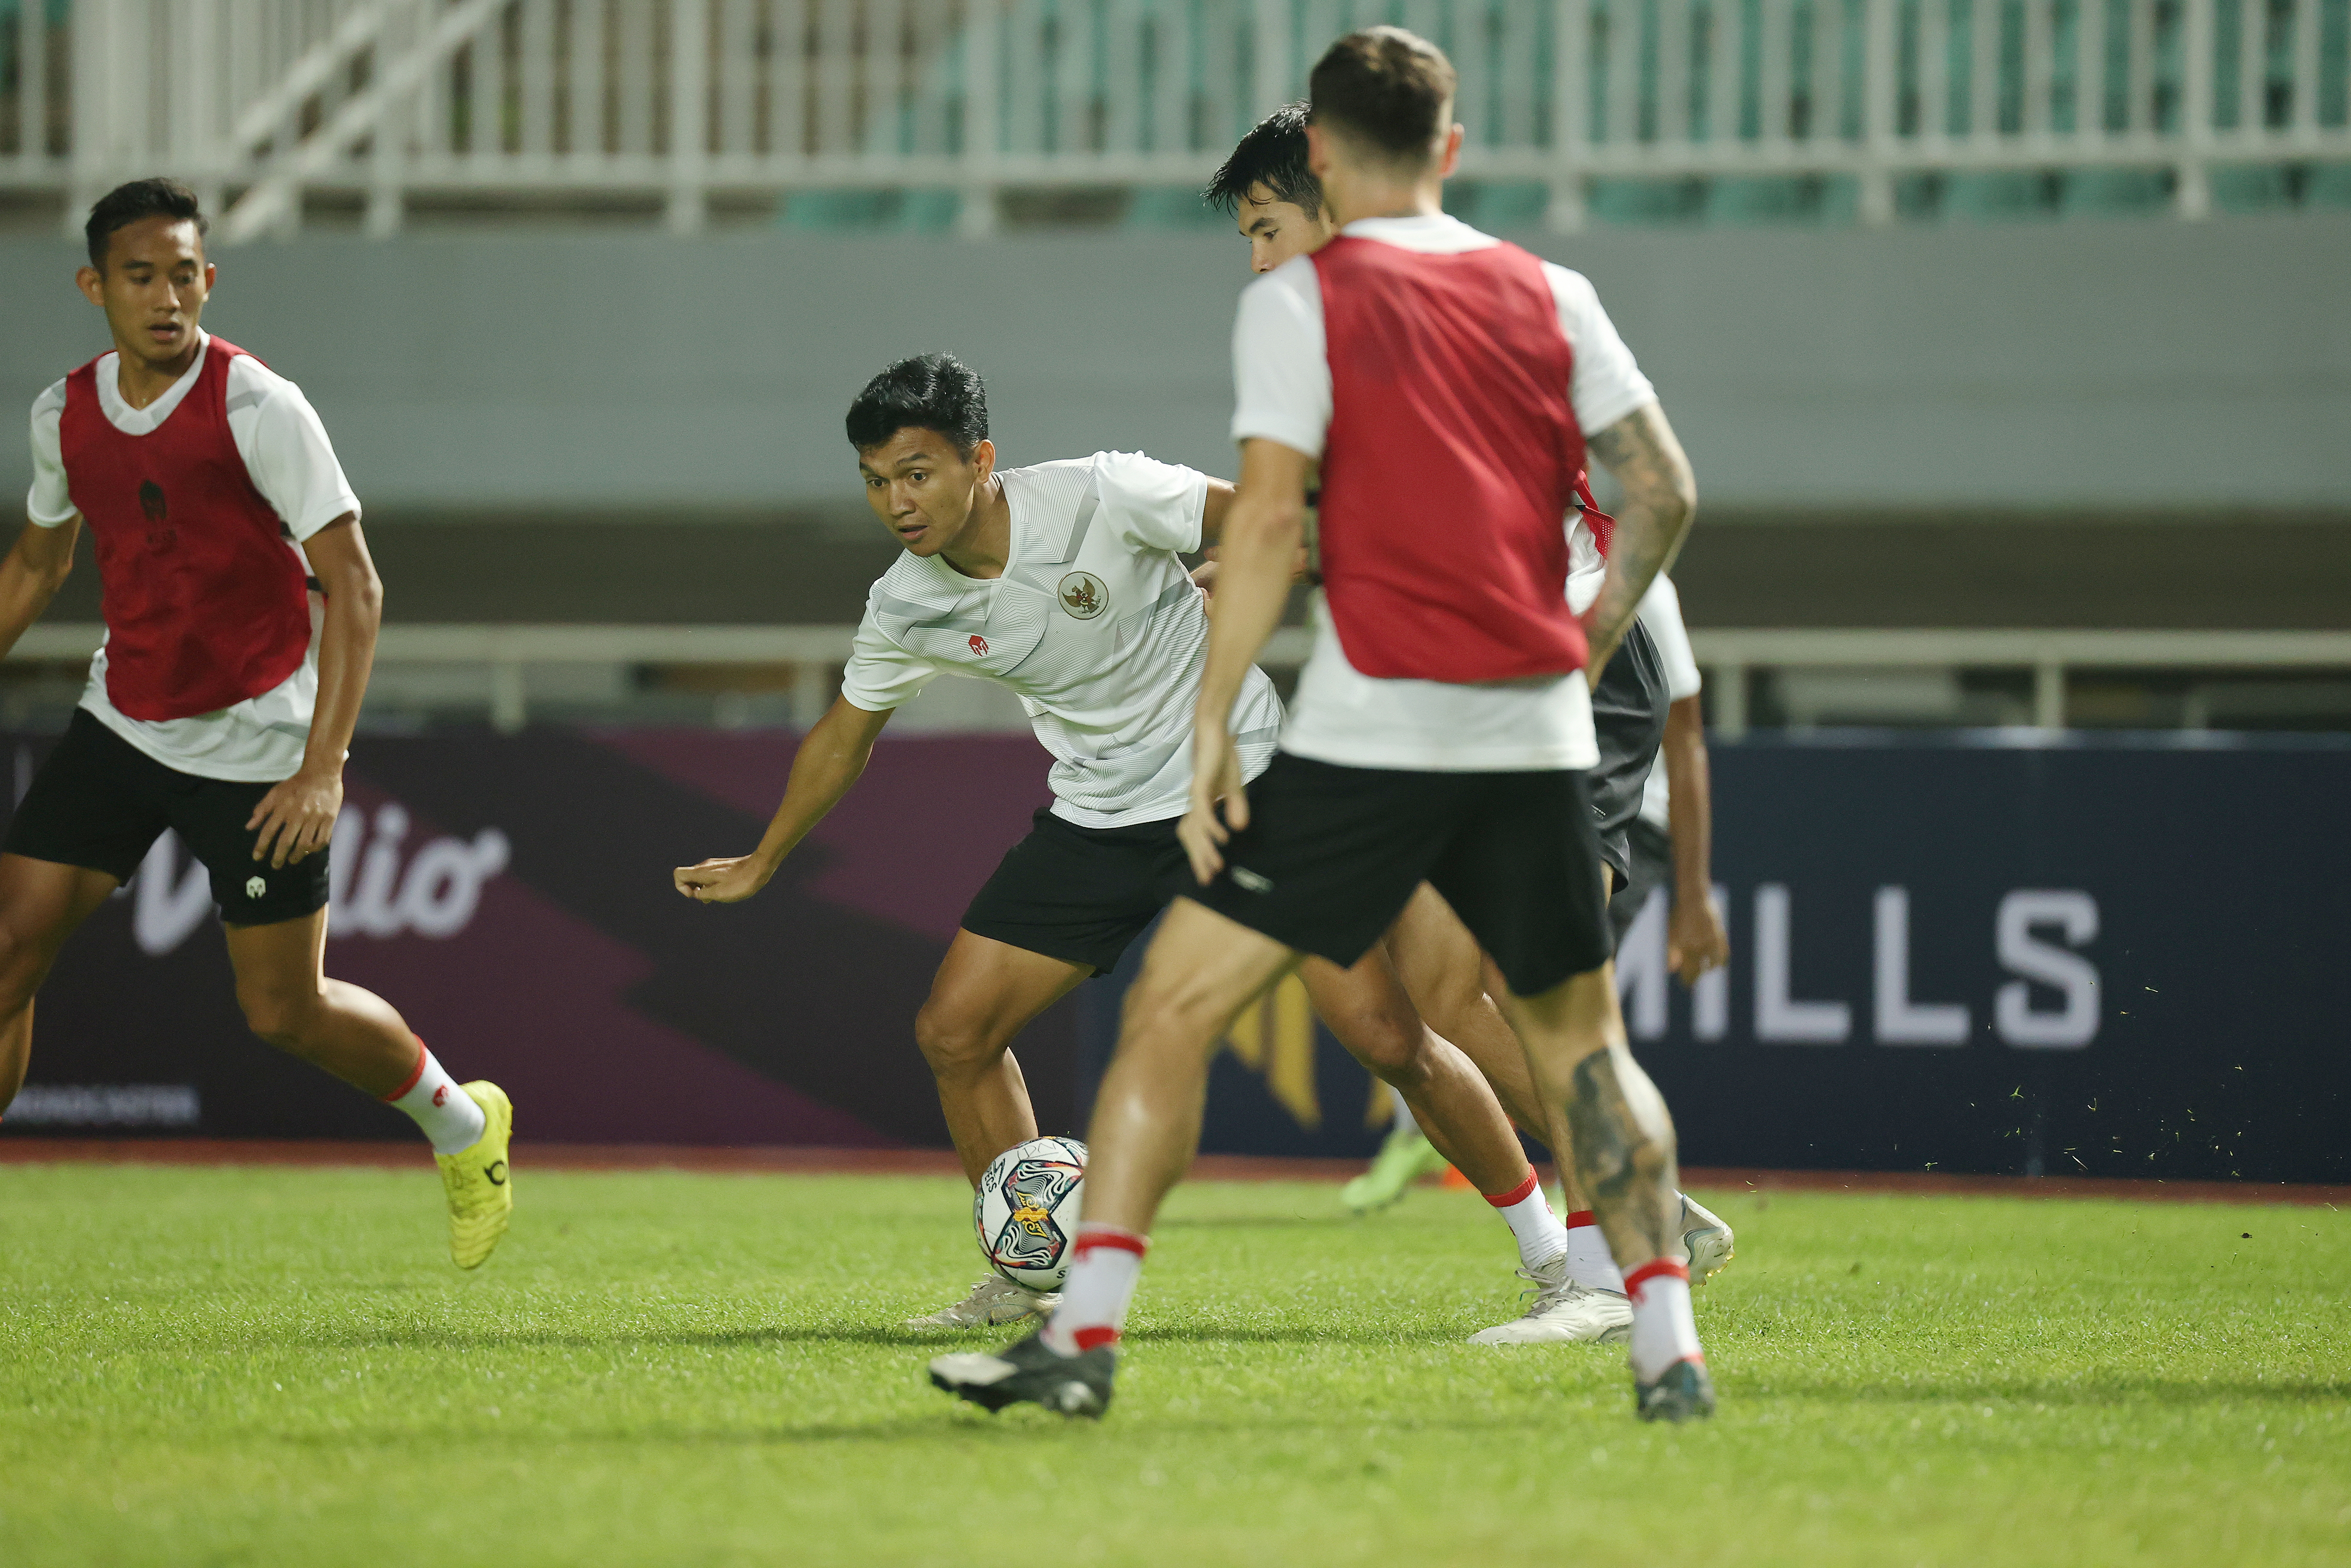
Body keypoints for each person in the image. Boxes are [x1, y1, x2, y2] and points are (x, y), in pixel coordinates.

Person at [929, 28, 1714, 1421]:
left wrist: (1214, 721)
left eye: (1261, 224)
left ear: (1332, 167)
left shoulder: (1306, 307)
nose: (1254, 257)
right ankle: (1663, 1342)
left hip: (1401, 710)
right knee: (1549, 1020)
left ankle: (1083, 1342)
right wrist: (1576, 642)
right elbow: (1659, 490)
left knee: (1178, 1009)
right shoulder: (1550, 290)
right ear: (1449, 148)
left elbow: (1269, 520)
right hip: (1512, 693)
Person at [673, 354, 1574, 1336]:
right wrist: (766, 856)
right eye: (876, 480)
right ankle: (1030, 1269)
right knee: (954, 1031)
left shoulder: (1103, 493)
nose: (898, 501)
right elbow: (843, 735)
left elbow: (1274, 514)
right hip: (1099, 817)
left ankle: (1557, 1258)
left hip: (1243, 789)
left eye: (917, 472)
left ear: (980, 460)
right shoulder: (906, 602)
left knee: (1387, 1035)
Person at [1202, 104, 1734, 1337]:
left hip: (1563, 649)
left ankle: (1610, 1275)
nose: (1256, 261)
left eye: (1267, 228)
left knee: (1526, 971)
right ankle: (1644, 1206)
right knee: (1443, 989)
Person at [0, 179, 514, 1268]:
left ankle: (464, 1127)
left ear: (209, 281)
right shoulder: (63, 415)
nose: (166, 297)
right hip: (124, 721)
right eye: (141, 276)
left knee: (285, 1011)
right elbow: (38, 565)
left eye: (185, 275)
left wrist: (323, 770)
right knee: (9, 949)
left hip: (260, 746)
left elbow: (356, 586)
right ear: (94, 286)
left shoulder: (259, 407)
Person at [1609, 575, 1732, 980]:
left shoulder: (1642, 588)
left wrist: (1694, 897)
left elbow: (1685, 745)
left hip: (1628, 823)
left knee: (1560, 988)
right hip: (1544, 811)